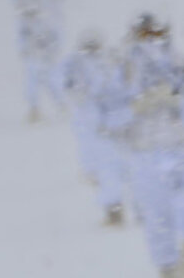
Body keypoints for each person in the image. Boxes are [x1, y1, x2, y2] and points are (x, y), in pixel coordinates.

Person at [123, 13, 184, 278]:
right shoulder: (125, 68)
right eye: (145, 35)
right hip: (146, 150)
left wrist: (180, 100)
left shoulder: (181, 62)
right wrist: (135, 106)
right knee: (156, 213)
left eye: (156, 34)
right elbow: (106, 110)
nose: (152, 41)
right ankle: (166, 266)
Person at [62, 31, 128, 225]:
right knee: (104, 168)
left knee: (112, 168)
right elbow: (69, 88)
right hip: (94, 125)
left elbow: (120, 92)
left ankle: (115, 209)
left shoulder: (108, 63)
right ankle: (115, 207)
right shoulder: (76, 64)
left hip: (110, 126)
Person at [15, 0, 65, 121]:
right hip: (33, 57)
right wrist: (24, 50)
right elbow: (21, 38)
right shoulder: (25, 24)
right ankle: (34, 110)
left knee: (52, 82)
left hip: (45, 57)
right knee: (32, 84)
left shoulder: (46, 22)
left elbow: (55, 38)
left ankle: (61, 106)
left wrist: (51, 51)